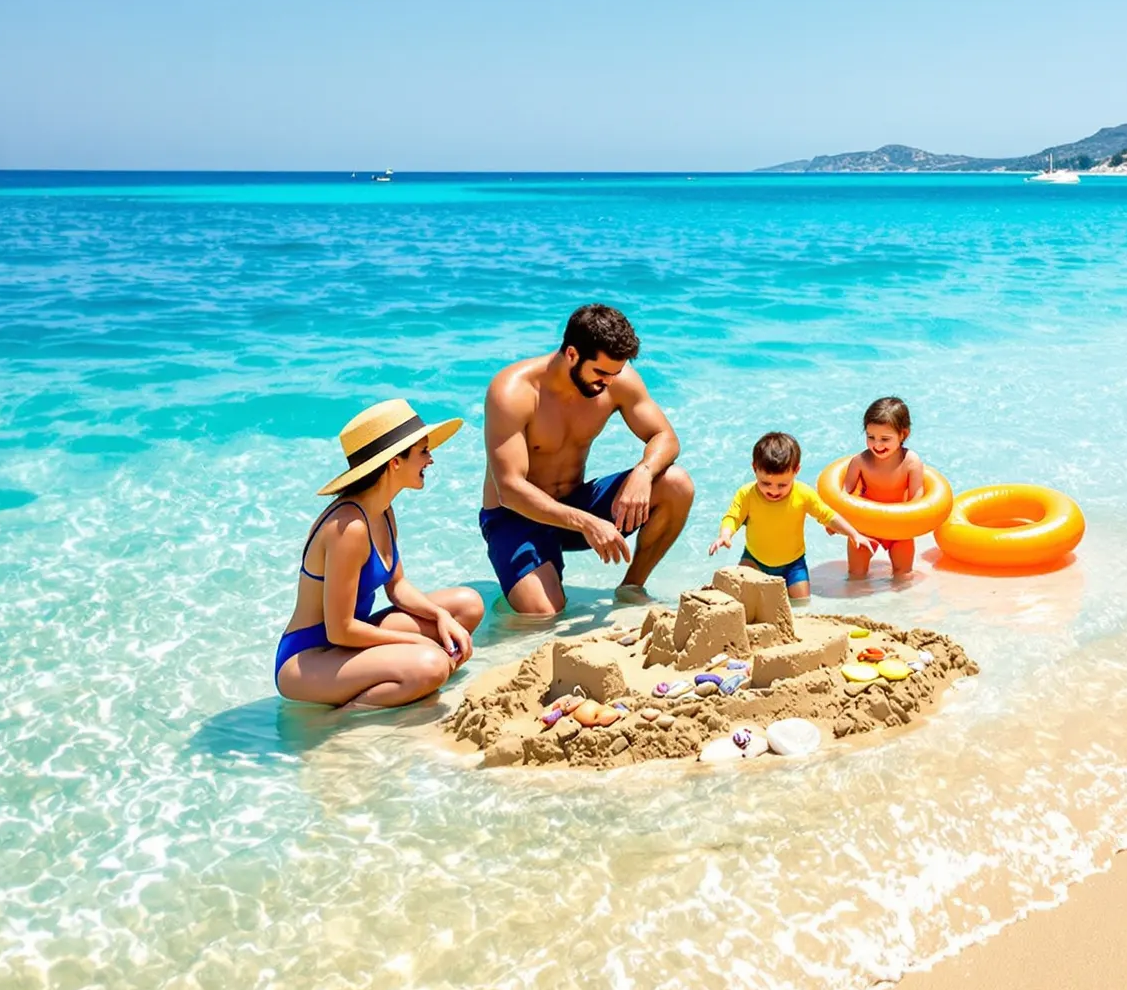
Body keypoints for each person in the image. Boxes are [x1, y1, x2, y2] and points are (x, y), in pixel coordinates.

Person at [480, 303, 697, 617]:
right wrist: (587, 522)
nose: (609, 382)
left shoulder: (615, 378)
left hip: (576, 504)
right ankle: (521, 584)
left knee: (676, 483)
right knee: (542, 613)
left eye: (616, 373)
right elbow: (509, 490)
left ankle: (630, 588)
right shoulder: (514, 391)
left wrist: (644, 471)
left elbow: (665, 436)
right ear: (571, 354)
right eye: (601, 372)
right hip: (515, 516)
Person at [274, 399, 486, 708]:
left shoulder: (382, 511)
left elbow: (397, 586)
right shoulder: (349, 528)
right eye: (424, 451)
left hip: (347, 643)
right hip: (310, 658)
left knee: (466, 606)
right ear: (394, 462)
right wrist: (415, 641)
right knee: (433, 664)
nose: (431, 460)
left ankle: (402, 685)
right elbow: (340, 630)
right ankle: (335, 724)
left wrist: (440, 616)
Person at [711, 431, 872, 600]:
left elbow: (828, 515)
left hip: (793, 565)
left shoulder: (803, 494)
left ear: (796, 471)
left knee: (802, 602)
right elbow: (732, 517)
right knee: (740, 596)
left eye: (782, 485)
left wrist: (853, 534)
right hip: (754, 561)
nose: (773, 490)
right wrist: (725, 535)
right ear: (754, 469)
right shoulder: (747, 494)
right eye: (765, 483)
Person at [839, 396, 927, 579]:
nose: (877, 445)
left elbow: (917, 502)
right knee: (856, 576)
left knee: (903, 577)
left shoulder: (911, 462)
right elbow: (843, 496)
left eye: (885, 439)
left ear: (904, 434)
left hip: (898, 529)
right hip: (865, 526)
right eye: (870, 437)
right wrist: (834, 521)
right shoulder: (860, 462)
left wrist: (912, 525)